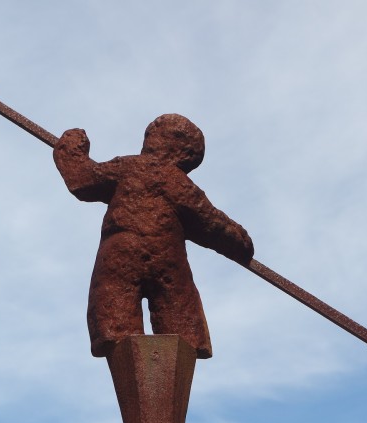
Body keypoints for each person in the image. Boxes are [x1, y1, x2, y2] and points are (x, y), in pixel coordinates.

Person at [53, 113, 253, 358]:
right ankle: (181, 346)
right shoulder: (179, 183)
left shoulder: (128, 167)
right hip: (168, 259)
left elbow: (82, 178)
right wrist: (240, 241)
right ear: (187, 156)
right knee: (178, 312)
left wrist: (71, 146)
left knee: (115, 313)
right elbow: (212, 222)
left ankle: (121, 344)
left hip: (121, 251)